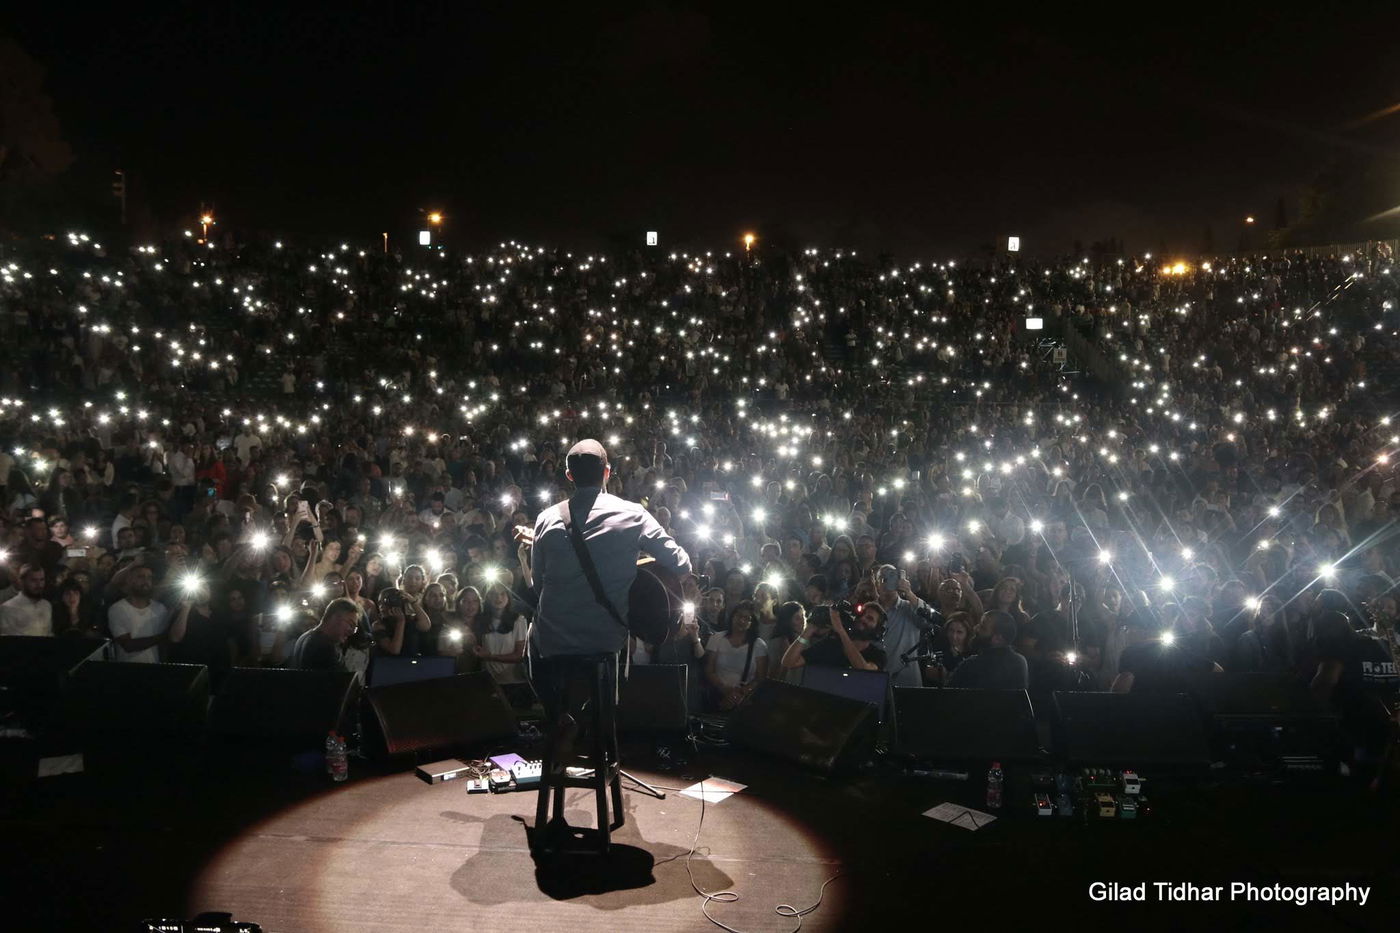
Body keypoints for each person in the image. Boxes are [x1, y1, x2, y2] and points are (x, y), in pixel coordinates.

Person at [781, 601, 887, 673]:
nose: (863, 619)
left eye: (870, 618)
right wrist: (809, 630)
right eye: (861, 615)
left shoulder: (877, 655)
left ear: (877, 630)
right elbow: (789, 663)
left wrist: (840, 630)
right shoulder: (831, 644)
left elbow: (864, 671)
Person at [704, 599, 768, 709]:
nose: (742, 620)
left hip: (745, 699)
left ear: (752, 623)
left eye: (747, 618)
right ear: (732, 616)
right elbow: (709, 670)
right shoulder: (717, 638)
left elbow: (760, 678)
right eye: (739, 616)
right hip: (717, 694)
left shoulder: (759, 645)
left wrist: (741, 693)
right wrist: (725, 690)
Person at [947, 610, 1029, 690]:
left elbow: (947, 695)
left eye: (982, 627)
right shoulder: (1020, 661)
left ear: (997, 638)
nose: (976, 628)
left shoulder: (971, 665)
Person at [107, 565, 171, 663]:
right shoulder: (117, 609)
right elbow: (128, 645)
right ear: (129, 580)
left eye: (149, 577)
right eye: (141, 577)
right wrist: (163, 637)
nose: (146, 581)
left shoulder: (160, 608)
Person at [289, 598, 361, 672]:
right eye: (350, 624)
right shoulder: (323, 645)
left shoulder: (304, 637)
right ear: (335, 618)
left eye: (354, 628)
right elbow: (340, 681)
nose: (352, 631)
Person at [0, 564, 52, 636]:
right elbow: (7, 641)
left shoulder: (46, 605)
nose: (39, 584)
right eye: (33, 580)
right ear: (22, 581)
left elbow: (48, 634)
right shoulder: (8, 608)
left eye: (42, 580)